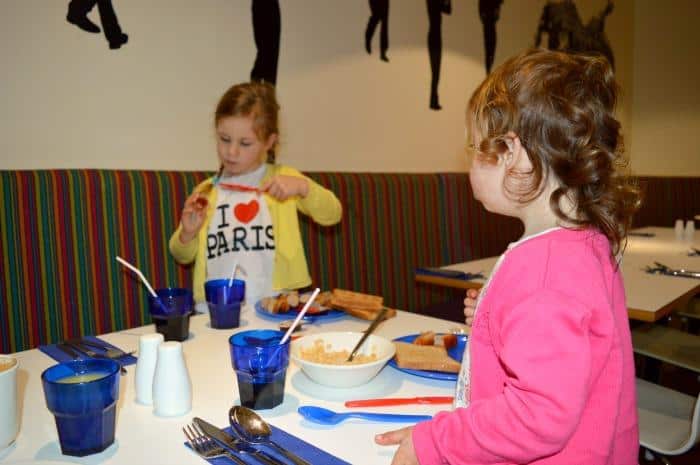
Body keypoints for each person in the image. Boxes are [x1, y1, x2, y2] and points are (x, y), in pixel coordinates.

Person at [376, 48, 640, 464]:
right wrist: (494, 317)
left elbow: (539, 418)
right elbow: (567, 345)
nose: (469, 161)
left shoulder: (544, 274)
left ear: (512, 153)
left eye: (475, 146)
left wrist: (435, 443)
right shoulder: (583, 243)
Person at [169, 81, 342, 305]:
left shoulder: (285, 179)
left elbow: (333, 213)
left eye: (245, 143)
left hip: (275, 305)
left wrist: (303, 187)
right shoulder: (206, 191)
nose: (231, 151)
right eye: (224, 139)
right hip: (215, 310)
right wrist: (187, 233)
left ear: (269, 142)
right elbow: (181, 254)